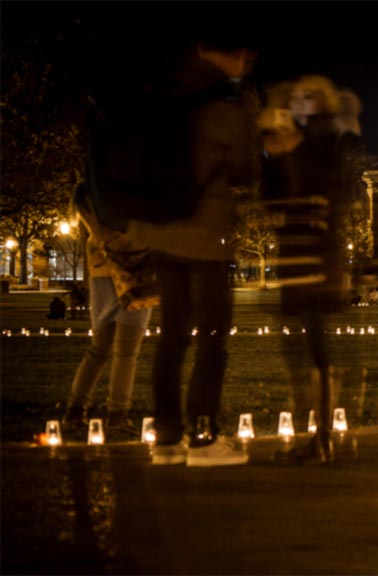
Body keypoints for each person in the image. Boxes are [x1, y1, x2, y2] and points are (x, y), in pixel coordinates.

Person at [126, 32, 258, 466]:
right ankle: (202, 436)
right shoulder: (223, 105)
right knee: (212, 339)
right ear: (229, 56)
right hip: (205, 237)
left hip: (163, 235)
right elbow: (245, 167)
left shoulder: (159, 98)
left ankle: (166, 439)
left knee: (172, 338)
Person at [261, 76, 370, 462]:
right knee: (298, 353)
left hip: (319, 258)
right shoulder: (288, 143)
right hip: (292, 259)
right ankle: (315, 437)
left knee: (318, 350)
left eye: (306, 98)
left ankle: (321, 438)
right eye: (293, 98)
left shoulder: (325, 142)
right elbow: (272, 199)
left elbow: (328, 192)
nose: (297, 104)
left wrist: (290, 151)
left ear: (321, 103)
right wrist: (276, 153)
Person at [63, 186, 155, 435]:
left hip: (101, 270)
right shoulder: (122, 189)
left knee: (99, 349)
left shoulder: (86, 193)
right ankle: (117, 414)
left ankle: (75, 410)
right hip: (130, 269)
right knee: (126, 353)